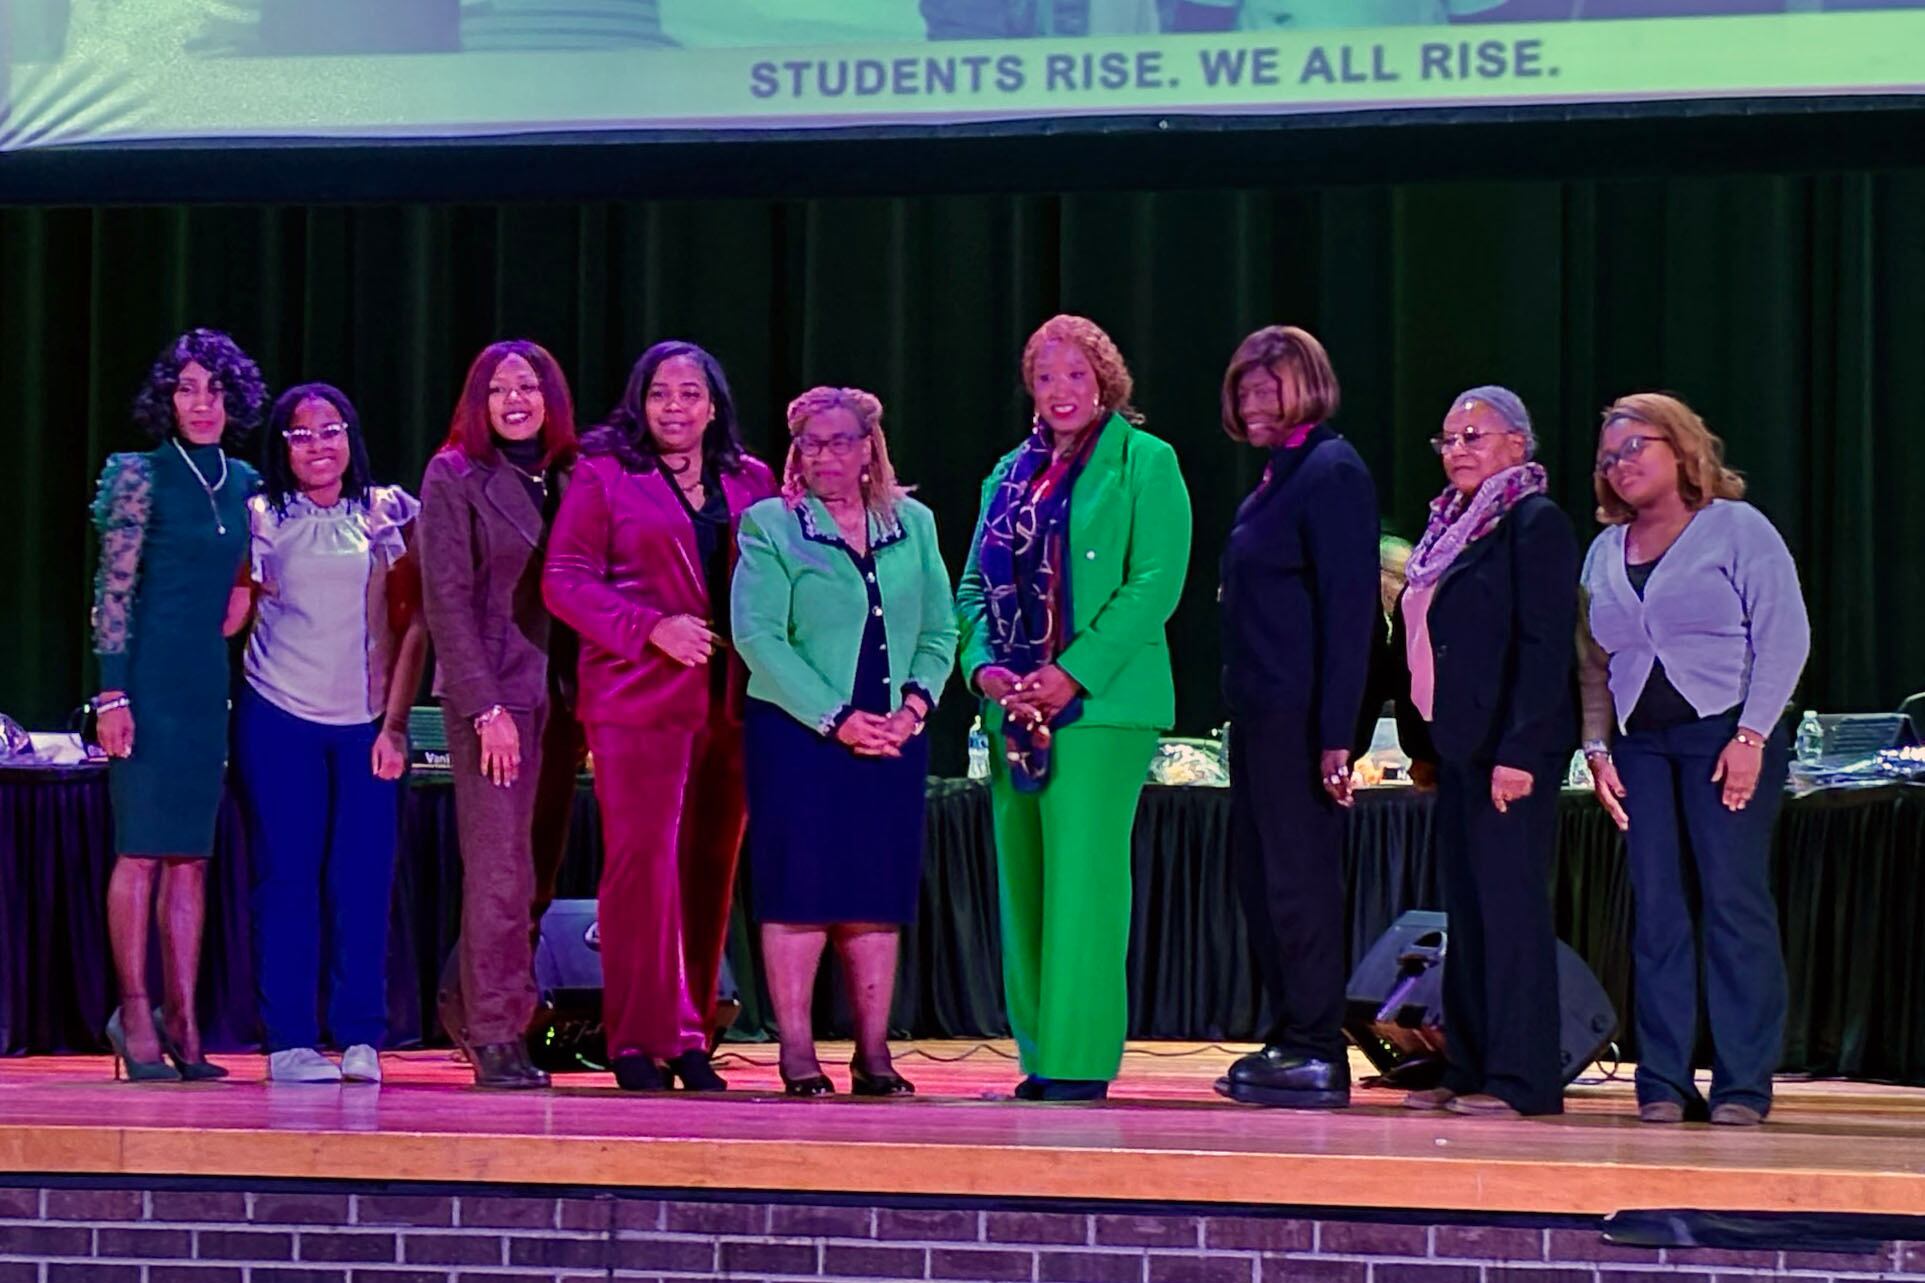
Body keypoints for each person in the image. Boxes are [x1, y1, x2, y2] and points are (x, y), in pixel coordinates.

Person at [956, 314, 1192, 1102]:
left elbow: (1154, 584)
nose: (1061, 391)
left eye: (1076, 375)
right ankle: (1040, 1053)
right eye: (1046, 376)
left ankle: (1079, 1059)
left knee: (1083, 883)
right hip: (1012, 706)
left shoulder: (1144, 463)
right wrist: (984, 668)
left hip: (1099, 706)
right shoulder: (1006, 473)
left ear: (1106, 381)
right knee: (1024, 884)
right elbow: (968, 590)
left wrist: (1071, 671)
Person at [541, 341, 775, 1093]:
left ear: (715, 405)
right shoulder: (605, 475)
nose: (675, 407)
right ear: (639, 402)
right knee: (641, 866)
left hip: (732, 705)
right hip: (637, 696)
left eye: (690, 393)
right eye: (660, 394)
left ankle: (693, 1032)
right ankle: (637, 1037)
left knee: (709, 870)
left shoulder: (752, 481)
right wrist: (649, 627)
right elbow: (563, 580)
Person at [1578, 393, 1809, 1127]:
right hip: (1640, 746)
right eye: (1608, 458)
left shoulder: (1735, 528)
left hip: (1722, 739)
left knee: (1732, 904)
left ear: (1680, 448)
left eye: (1635, 447)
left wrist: (1751, 737)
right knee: (1657, 910)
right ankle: (1663, 1079)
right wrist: (1594, 745)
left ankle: (1742, 1081)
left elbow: (1783, 636)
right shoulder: (1601, 550)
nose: (1621, 465)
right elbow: (1591, 660)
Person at [733, 387, 959, 1098]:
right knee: (799, 895)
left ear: (869, 448)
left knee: (873, 896)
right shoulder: (770, 524)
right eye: (809, 442)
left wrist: (915, 704)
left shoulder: (912, 522)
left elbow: (940, 628)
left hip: (892, 737)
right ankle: (797, 1052)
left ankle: (872, 1052)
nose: (823, 455)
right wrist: (835, 718)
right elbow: (757, 635)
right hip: (800, 735)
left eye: (838, 441)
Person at [233, 383, 428, 1085]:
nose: (318, 445)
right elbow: (231, 612)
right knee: (286, 879)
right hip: (278, 715)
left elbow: (415, 626)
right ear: (281, 447)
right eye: (301, 433)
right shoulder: (259, 517)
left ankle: (359, 1036)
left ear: (351, 437)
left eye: (331, 430)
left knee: (362, 879)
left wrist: (396, 725)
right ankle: (288, 1039)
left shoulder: (388, 512)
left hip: (366, 725)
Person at [1392, 385, 1576, 1118]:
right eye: (1448, 437)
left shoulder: (1533, 523)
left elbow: (1542, 647)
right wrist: (1426, 744)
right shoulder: (1451, 527)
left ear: (1516, 445)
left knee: (1508, 913)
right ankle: (1467, 1066)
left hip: (1508, 750)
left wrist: (1521, 750)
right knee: (1466, 914)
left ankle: (1521, 1078)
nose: (1458, 448)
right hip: (1458, 746)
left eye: (1475, 435)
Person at [89, 327, 266, 1082]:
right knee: (141, 852)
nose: (201, 403)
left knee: (190, 858)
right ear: (167, 399)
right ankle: (133, 1011)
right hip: (146, 685)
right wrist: (112, 691)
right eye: (188, 388)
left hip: (205, 688)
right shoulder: (139, 475)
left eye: (215, 389)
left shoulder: (246, 480)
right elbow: (112, 592)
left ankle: (185, 1021)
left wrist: (247, 588)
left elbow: (245, 585)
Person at [1212, 326, 1378, 1110]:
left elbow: (1350, 615)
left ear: (1305, 384)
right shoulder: (1278, 477)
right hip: (1259, 712)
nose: (1252, 401)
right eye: (1244, 388)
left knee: (1298, 883)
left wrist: (1335, 735)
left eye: (1267, 386)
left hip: (1300, 717)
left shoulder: (1331, 472)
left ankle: (1316, 1048)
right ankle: (1288, 1035)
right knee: (1262, 880)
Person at [418, 339, 578, 1090]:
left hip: (564, 696)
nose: (515, 399)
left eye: (529, 385)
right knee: (500, 872)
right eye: (499, 388)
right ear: (476, 402)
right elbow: (444, 601)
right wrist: (485, 707)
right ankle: (493, 1031)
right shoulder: (454, 475)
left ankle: (505, 1011)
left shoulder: (569, 475)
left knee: (536, 873)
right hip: (495, 698)